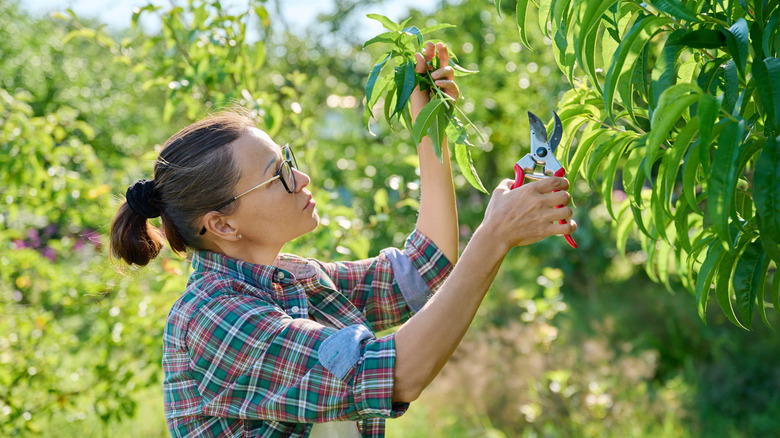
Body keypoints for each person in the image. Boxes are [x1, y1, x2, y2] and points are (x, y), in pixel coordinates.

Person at [110, 42, 576, 438]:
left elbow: (424, 268)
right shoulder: (211, 319)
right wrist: (493, 236)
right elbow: (392, 374)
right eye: (279, 175)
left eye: (288, 160)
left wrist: (430, 127)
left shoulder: (295, 280)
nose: (303, 176)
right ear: (224, 225)